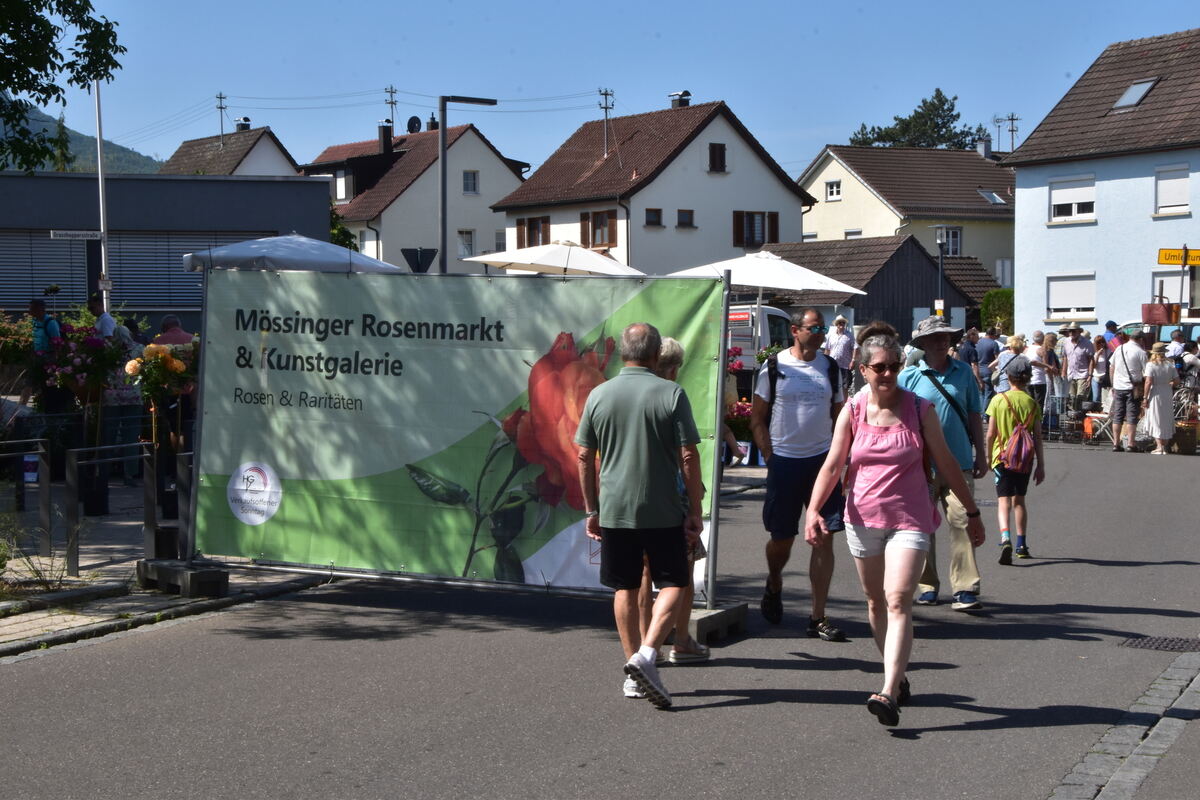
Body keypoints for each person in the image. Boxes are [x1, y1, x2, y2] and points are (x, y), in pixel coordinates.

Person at [805, 334, 985, 727]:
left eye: (893, 366)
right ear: (863, 369)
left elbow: (947, 463)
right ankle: (898, 674)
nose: (887, 373)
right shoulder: (852, 410)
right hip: (862, 518)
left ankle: (887, 690)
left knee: (898, 598)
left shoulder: (921, 409)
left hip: (910, 518)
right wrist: (814, 510)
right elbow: (834, 464)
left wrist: (971, 511)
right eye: (879, 367)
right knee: (874, 602)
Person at [575, 323, 704, 708]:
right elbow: (688, 454)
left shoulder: (599, 394)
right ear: (653, 355)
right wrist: (695, 509)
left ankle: (633, 667)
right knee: (675, 582)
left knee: (625, 588)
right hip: (662, 508)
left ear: (624, 354)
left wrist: (591, 508)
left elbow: (583, 456)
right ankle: (647, 656)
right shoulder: (671, 393)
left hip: (615, 508)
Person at [750, 308, 846, 642]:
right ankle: (774, 580)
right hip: (785, 462)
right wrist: (769, 455)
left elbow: (840, 418)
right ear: (795, 330)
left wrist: (839, 456)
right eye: (814, 327)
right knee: (782, 538)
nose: (820, 333)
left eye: (823, 328)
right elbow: (757, 418)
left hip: (821, 463)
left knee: (825, 535)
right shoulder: (774, 367)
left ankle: (818, 616)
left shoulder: (830, 368)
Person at [898, 317, 988, 611]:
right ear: (922, 343)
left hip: (959, 461)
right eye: (935, 337)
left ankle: (965, 588)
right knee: (922, 528)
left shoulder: (963, 373)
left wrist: (982, 454)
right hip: (921, 465)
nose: (941, 341)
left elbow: (975, 414)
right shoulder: (908, 377)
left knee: (962, 521)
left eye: (946, 336)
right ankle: (927, 585)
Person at [635, 337, 711, 666]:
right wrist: (696, 495)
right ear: (674, 368)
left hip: (636, 494)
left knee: (643, 574)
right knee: (682, 570)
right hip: (672, 495)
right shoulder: (672, 396)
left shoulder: (634, 396)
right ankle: (680, 639)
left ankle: (644, 644)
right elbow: (687, 454)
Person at [986, 356, 1045, 562]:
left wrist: (987, 457)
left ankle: (1005, 537)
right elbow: (1037, 436)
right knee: (1019, 501)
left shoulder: (998, 400)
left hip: (1001, 457)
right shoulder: (1032, 403)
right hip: (1024, 459)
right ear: (1028, 378)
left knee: (1003, 501)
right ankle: (1021, 544)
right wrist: (1041, 465)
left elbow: (991, 433)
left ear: (1008, 377)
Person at [102, 325, 146, 485]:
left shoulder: (107, 351)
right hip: (133, 396)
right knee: (131, 435)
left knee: (109, 435)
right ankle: (130, 474)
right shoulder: (139, 349)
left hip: (111, 397)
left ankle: (104, 472)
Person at [1110, 327, 1147, 452]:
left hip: (1118, 386)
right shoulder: (1141, 352)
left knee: (1118, 415)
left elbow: (1112, 367)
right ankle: (1131, 444)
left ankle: (1116, 443)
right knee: (1132, 416)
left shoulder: (1119, 348)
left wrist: (1113, 384)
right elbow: (1146, 372)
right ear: (1140, 339)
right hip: (1133, 387)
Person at [1142, 342, 1179, 455]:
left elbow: (1148, 382)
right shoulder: (1170, 364)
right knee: (1166, 417)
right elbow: (1177, 381)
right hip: (1167, 392)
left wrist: (1145, 397)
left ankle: (1159, 446)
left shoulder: (1151, 365)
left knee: (1156, 418)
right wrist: (1169, 384)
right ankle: (1165, 445)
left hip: (1156, 392)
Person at [823, 314, 858, 395]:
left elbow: (855, 348)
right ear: (836, 324)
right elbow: (827, 349)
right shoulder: (831, 336)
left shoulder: (849, 335)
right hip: (833, 365)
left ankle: (844, 406)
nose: (841, 324)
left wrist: (853, 360)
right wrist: (825, 362)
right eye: (839, 323)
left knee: (845, 387)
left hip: (845, 366)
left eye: (843, 323)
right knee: (832, 385)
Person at [976, 327, 1002, 408]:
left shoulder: (978, 342)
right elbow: (998, 359)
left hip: (978, 370)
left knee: (981, 393)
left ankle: (980, 413)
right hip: (988, 371)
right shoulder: (994, 343)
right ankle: (984, 416)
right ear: (993, 334)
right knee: (989, 394)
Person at [1089, 334, 1111, 405]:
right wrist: (1097, 355)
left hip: (1105, 377)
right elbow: (1094, 366)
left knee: (1107, 398)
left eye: (1103, 342)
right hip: (1096, 377)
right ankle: (1096, 412)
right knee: (1096, 397)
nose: (1101, 344)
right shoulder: (1094, 352)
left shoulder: (1108, 351)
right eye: (1099, 342)